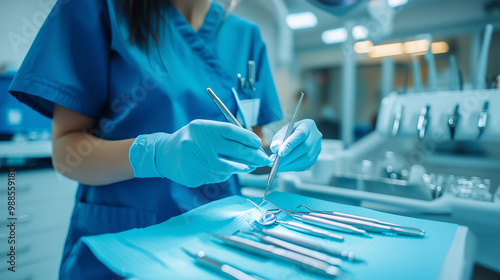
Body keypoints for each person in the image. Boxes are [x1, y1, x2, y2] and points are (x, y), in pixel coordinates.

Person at [9, 0, 322, 278]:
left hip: (220, 241)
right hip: (123, 238)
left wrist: (286, 148)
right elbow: (67, 153)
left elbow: (251, 149)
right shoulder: (96, 8)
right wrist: (155, 154)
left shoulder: (245, 36)